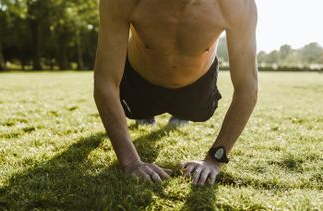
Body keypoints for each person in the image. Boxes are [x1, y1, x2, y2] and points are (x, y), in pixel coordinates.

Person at [94, 0, 258, 186]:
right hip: (140, 84)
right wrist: (131, 162)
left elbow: (247, 88)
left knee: (189, 113)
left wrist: (215, 159)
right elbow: (105, 82)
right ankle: (148, 113)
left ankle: (179, 113)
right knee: (141, 112)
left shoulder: (238, 5)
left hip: (196, 87)